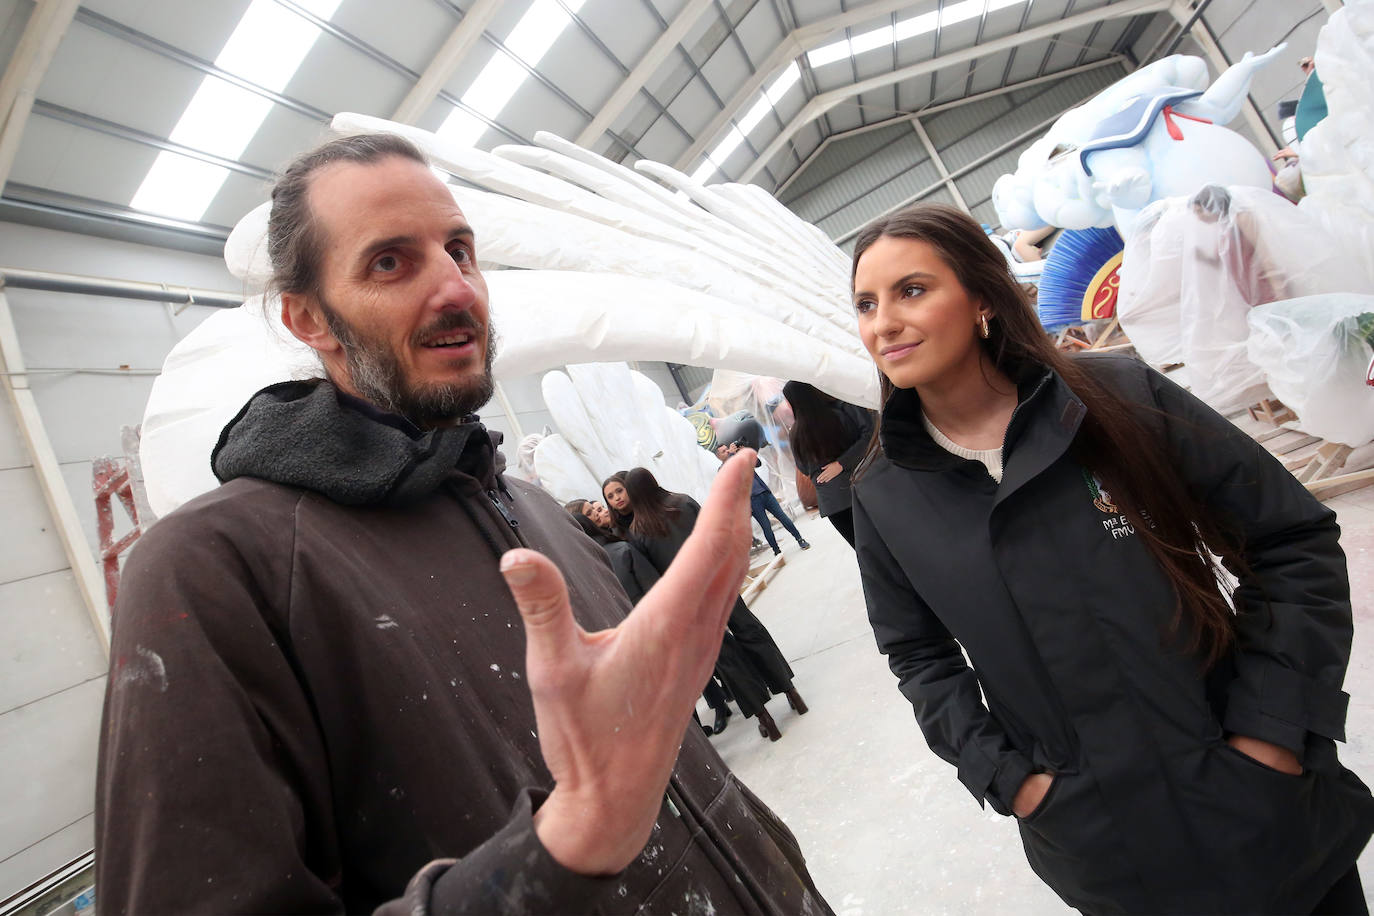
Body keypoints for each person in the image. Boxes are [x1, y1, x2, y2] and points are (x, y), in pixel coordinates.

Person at [94, 133, 831, 915]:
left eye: (459, 250)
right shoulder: (215, 571)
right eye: (390, 262)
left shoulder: (533, 509)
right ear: (307, 319)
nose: (457, 289)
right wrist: (553, 855)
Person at [848, 203, 1374, 913]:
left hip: (1261, 808)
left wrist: (1275, 726)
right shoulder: (885, 494)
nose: (884, 322)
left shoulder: (1114, 401)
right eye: (866, 303)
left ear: (981, 301)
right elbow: (917, 654)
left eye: (911, 290)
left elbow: (1289, 541)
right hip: (1110, 854)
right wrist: (1013, 781)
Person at [623, 467, 809, 741]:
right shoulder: (683, 503)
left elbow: (654, 580)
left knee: (725, 657)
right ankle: (792, 693)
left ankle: (764, 718)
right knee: (751, 632)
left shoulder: (637, 532)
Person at [567, 499, 734, 736]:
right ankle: (698, 723)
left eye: (595, 508)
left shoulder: (618, 537)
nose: (596, 512)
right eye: (589, 512)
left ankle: (718, 703)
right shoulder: (590, 557)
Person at [780, 380, 874, 548]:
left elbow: (803, 468)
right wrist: (841, 463)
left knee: (862, 550)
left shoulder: (795, 433)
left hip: (832, 502)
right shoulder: (838, 414)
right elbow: (865, 439)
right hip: (860, 487)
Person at [714, 442, 811, 554]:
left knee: (783, 517)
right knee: (766, 526)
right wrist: (732, 454)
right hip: (752, 501)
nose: (727, 451)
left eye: (727, 449)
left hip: (765, 493)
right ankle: (776, 550)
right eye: (724, 451)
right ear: (718, 456)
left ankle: (800, 539)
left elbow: (758, 463)